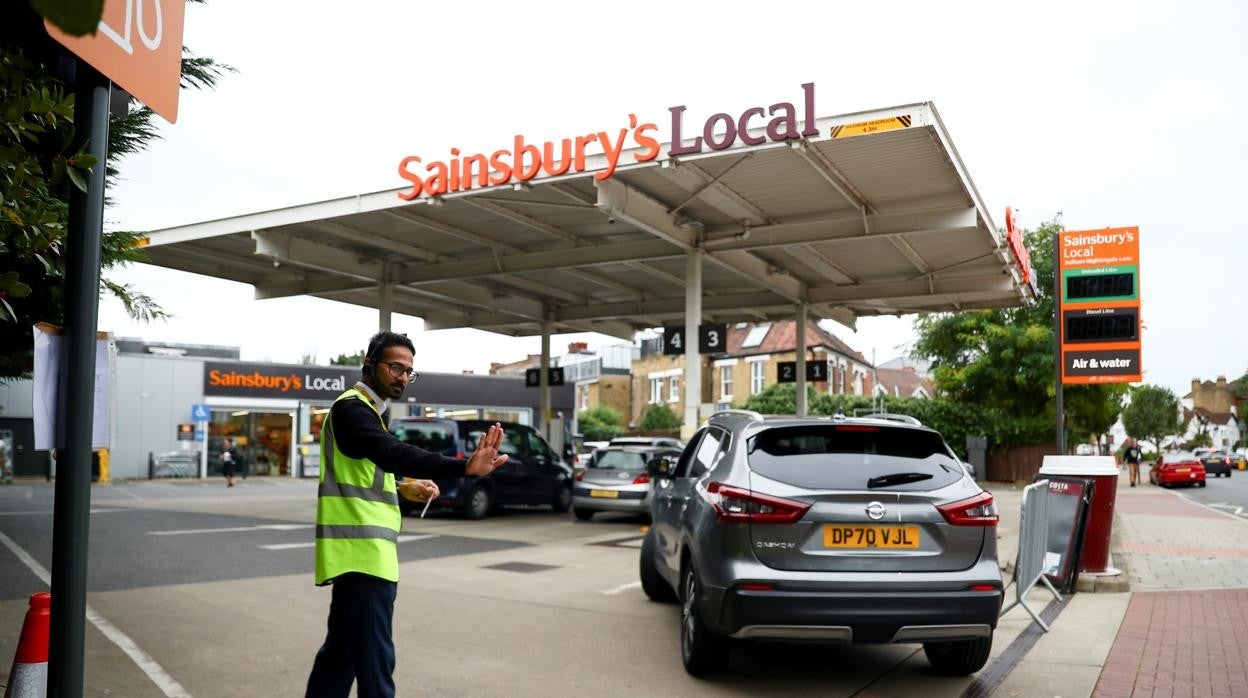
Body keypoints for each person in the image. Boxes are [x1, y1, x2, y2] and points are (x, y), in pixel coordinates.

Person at [306, 331, 508, 698]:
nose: (402, 376)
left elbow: (365, 472)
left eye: (408, 371)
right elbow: (393, 452)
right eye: (395, 367)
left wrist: (401, 488)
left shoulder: (367, 413)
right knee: (374, 662)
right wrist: (464, 467)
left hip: (357, 555)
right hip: (364, 557)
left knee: (341, 656)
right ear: (368, 364)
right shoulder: (352, 409)